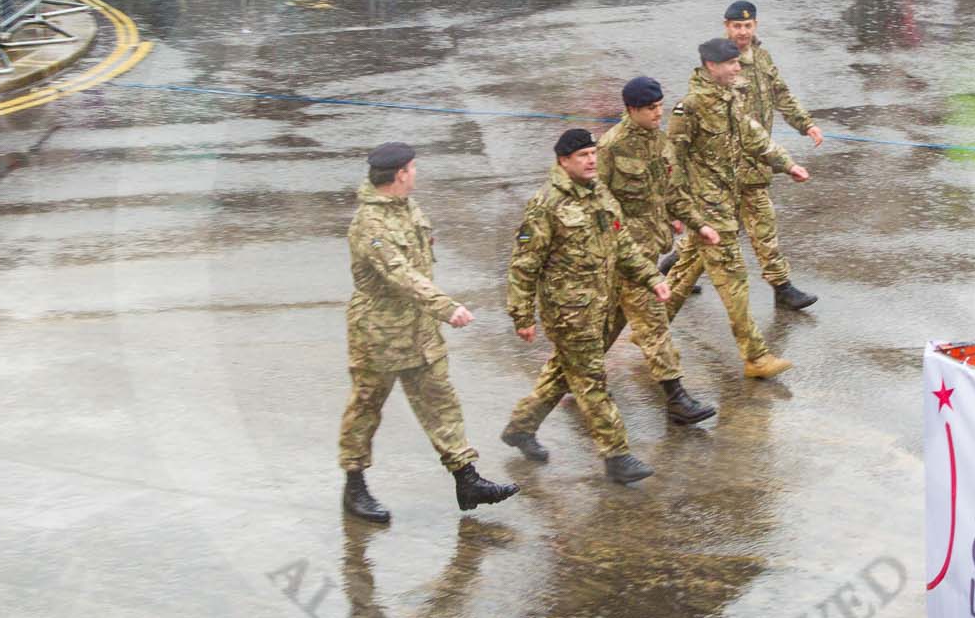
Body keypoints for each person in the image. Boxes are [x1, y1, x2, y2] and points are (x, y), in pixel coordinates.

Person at [338, 141, 514, 523]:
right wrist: (446, 308)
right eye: (413, 168)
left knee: (441, 400)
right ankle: (354, 487)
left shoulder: (407, 209)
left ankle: (467, 479)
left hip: (419, 331)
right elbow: (401, 275)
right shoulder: (370, 224)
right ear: (400, 174)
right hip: (379, 335)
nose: (416, 173)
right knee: (366, 408)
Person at [505, 128, 672, 485]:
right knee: (591, 380)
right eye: (582, 155)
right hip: (568, 312)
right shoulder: (546, 205)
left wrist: (651, 277)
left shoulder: (600, 194)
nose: (591, 160)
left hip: (600, 304)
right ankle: (616, 455)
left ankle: (520, 427)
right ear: (563, 161)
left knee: (564, 373)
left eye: (593, 153)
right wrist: (522, 315)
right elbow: (524, 264)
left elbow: (622, 244)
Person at [664, 37, 805, 380]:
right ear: (712, 66)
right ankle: (755, 356)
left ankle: (646, 329)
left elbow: (752, 136)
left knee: (682, 277)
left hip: (725, 201)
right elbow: (671, 161)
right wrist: (675, 210)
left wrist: (787, 164)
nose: (738, 68)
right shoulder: (691, 107)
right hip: (706, 208)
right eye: (731, 63)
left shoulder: (729, 98)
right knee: (734, 279)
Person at [716, 0, 824, 310]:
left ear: (755, 26)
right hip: (729, 165)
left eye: (748, 26)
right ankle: (675, 265)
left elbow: (781, 94)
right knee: (726, 229)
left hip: (756, 162)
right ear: (726, 26)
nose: (742, 32)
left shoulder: (762, 57)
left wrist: (806, 125)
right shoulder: (719, 63)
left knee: (754, 226)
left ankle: (781, 287)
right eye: (737, 26)